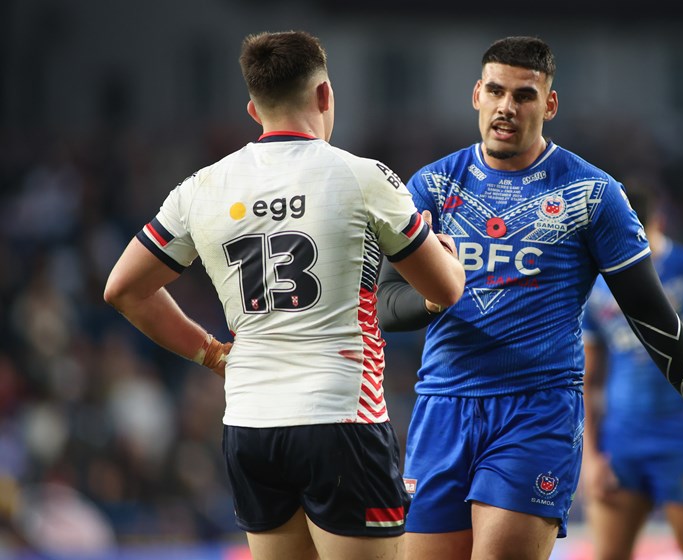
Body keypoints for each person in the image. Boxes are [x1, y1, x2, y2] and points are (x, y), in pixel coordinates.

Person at [376, 35, 683, 560]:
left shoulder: (592, 194)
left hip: (535, 414)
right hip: (442, 408)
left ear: (549, 104)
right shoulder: (433, 187)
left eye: (525, 95)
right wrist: (434, 301)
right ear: (476, 96)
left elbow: (648, 311)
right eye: (496, 91)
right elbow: (383, 303)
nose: (507, 106)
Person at [103, 30, 465, 560]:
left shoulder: (201, 187)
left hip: (251, 423)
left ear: (254, 108)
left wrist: (210, 353)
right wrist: (443, 253)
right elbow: (444, 289)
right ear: (325, 95)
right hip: (341, 419)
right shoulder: (362, 176)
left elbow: (123, 289)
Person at [581, 184, 683, 560]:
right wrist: (591, 455)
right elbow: (587, 377)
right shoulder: (596, 284)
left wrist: (650, 333)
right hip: (621, 438)